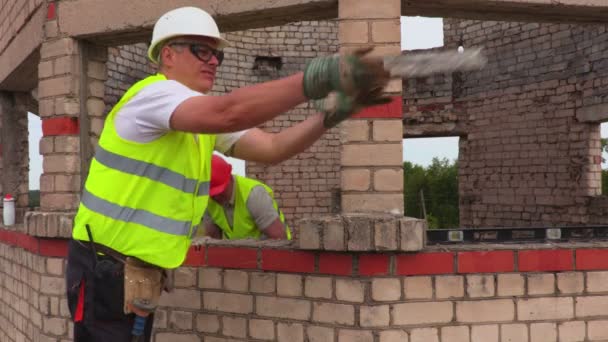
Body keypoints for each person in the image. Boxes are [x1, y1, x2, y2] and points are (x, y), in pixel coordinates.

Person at [64, 6, 390, 342]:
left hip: (132, 274)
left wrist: (330, 116)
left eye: (216, 53)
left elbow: (272, 148)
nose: (213, 61)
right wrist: (315, 78)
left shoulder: (195, 120)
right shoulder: (153, 96)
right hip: (104, 267)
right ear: (168, 54)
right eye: (201, 50)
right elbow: (230, 112)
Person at [203, 155, 291, 240]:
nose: (216, 197)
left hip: (269, 251)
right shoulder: (208, 201)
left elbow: (279, 239)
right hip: (239, 252)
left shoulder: (254, 195)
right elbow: (212, 243)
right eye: (212, 193)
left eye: (219, 190)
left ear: (229, 178)